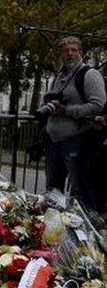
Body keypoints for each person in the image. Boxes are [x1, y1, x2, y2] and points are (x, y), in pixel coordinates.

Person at [38, 36, 105, 208]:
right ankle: (55, 230)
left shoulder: (89, 74)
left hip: (77, 142)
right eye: (65, 50)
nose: (69, 54)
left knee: (81, 193)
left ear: (80, 53)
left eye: (73, 50)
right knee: (53, 193)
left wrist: (67, 110)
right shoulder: (59, 77)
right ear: (60, 54)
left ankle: (87, 232)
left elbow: (98, 104)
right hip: (54, 142)